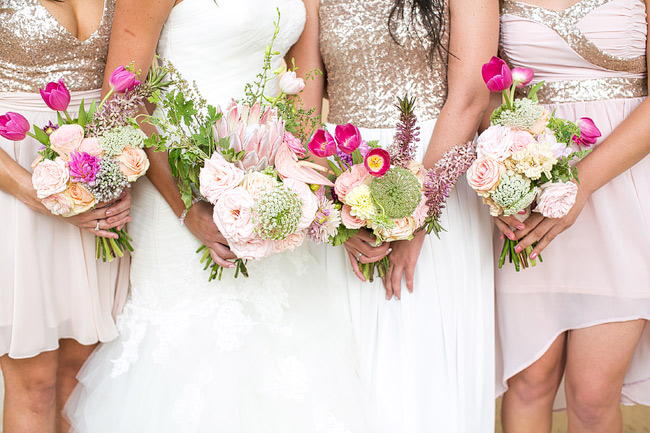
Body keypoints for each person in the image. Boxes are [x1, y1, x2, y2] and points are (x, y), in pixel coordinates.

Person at [65, 1, 370, 432]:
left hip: (272, 187)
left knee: (279, 353)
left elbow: (303, 93)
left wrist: (295, 187)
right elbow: (122, 100)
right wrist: (187, 208)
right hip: (177, 182)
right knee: (192, 349)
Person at [291, 0, 498, 431]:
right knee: (351, 360)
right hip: (342, 182)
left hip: (437, 173)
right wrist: (327, 209)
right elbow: (304, 111)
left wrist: (417, 214)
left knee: (426, 355)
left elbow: (470, 98)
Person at [495, 0, 650, 431]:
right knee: (528, 381)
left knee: (594, 395)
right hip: (531, 190)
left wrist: (580, 184)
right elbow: (486, 85)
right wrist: (499, 180)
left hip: (624, 197)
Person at [0, 1, 131, 432]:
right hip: (16, 188)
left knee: (82, 376)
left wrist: (120, 172)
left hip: (97, 176)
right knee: (34, 382)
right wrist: (42, 195)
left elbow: (131, 89)